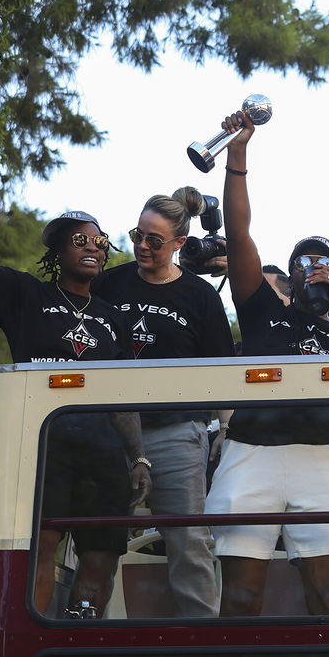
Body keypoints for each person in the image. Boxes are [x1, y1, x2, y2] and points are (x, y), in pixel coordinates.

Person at [0, 129, 151, 617]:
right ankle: (34, 644)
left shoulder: (114, 316)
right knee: (42, 552)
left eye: (101, 241)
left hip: (102, 454)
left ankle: (78, 650)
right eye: (81, 239)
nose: (94, 247)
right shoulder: (26, 295)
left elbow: (123, 396)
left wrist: (139, 458)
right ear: (57, 251)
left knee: (101, 562)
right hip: (42, 447)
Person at [203, 110, 329, 616]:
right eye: (303, 263)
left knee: (328, 597)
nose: (313, 270)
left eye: (324, 264)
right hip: (250, 451)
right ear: (290, 275)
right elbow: (239, 233)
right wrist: (238, 153)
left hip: (318, 456)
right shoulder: (261, 306)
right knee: (241, 596)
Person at [92, 187, 235, 617]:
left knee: (188, 540)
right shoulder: (110, 282)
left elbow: (222, 371)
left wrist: (226, 428)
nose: (141, 245)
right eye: (138, 234)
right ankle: (85, 634)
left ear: (179, 244)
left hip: (176, 432)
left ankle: (203, 647)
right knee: (96, 540)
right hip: (109, 431)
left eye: (155, 239)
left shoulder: (200, 296)